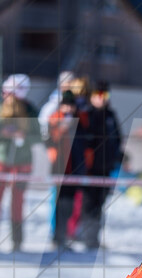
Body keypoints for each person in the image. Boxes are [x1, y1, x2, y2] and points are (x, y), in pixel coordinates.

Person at [0, 73, 39, 251]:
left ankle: (17, 241)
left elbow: (38, 136)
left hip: (22, 163)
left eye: (7, 92)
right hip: (0, 161)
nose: (4, 96)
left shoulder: (30, 110)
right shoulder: (1, 110)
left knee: (17, 203)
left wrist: (24, 136)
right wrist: (5, 133)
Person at [75, 81, 123, 250]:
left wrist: (119, 156)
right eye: (98, 96)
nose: (102, 99)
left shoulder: (110, 116)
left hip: (106, 168)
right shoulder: (87, 116)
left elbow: (117, 140)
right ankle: (86, 237)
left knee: (99, 204)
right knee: (88, 203)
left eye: (105, 96)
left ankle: (93, 238)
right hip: (89, 169)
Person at [46, 90, 84, 250]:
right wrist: (63, 128)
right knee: (59, 204)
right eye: (66, 105)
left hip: (73, 169)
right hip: (59, 168)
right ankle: (57, 237)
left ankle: (65, 236)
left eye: (71, 106)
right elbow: (50, 140)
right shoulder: (55, 118)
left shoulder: (79, 121)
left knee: (69, 205)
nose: (68, 109)